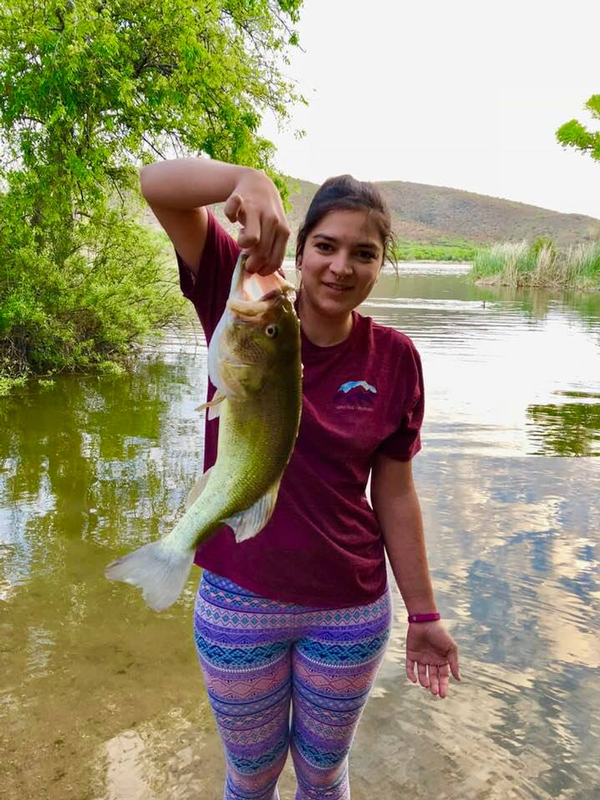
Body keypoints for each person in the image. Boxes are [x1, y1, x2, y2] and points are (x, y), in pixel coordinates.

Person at [140, 158, 461, 800]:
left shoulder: (395, 357)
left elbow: (394, 491)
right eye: (326, 246)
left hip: (348, 608)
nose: (341, 267)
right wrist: (245, 180)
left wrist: (423, 611)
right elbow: (156, 185)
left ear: (380, 265)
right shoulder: (243, 314)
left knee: (322, 776)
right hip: (239, 600)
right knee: (251, 779)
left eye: (363, 253)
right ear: (300, 246)